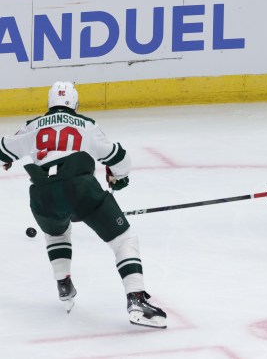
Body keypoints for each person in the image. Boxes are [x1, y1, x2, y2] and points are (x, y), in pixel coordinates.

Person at [0, 81, 167, 329]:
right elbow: (120, 158)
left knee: (56, 232)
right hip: (80, 189)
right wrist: (117, 178)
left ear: (49, 104)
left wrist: (8, 160)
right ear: (75, 104)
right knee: (123, 238)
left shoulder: (32, 126)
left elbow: (4, 150)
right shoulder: (87, 126)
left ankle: (63, 282)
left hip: (42, 193)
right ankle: (137, 299)